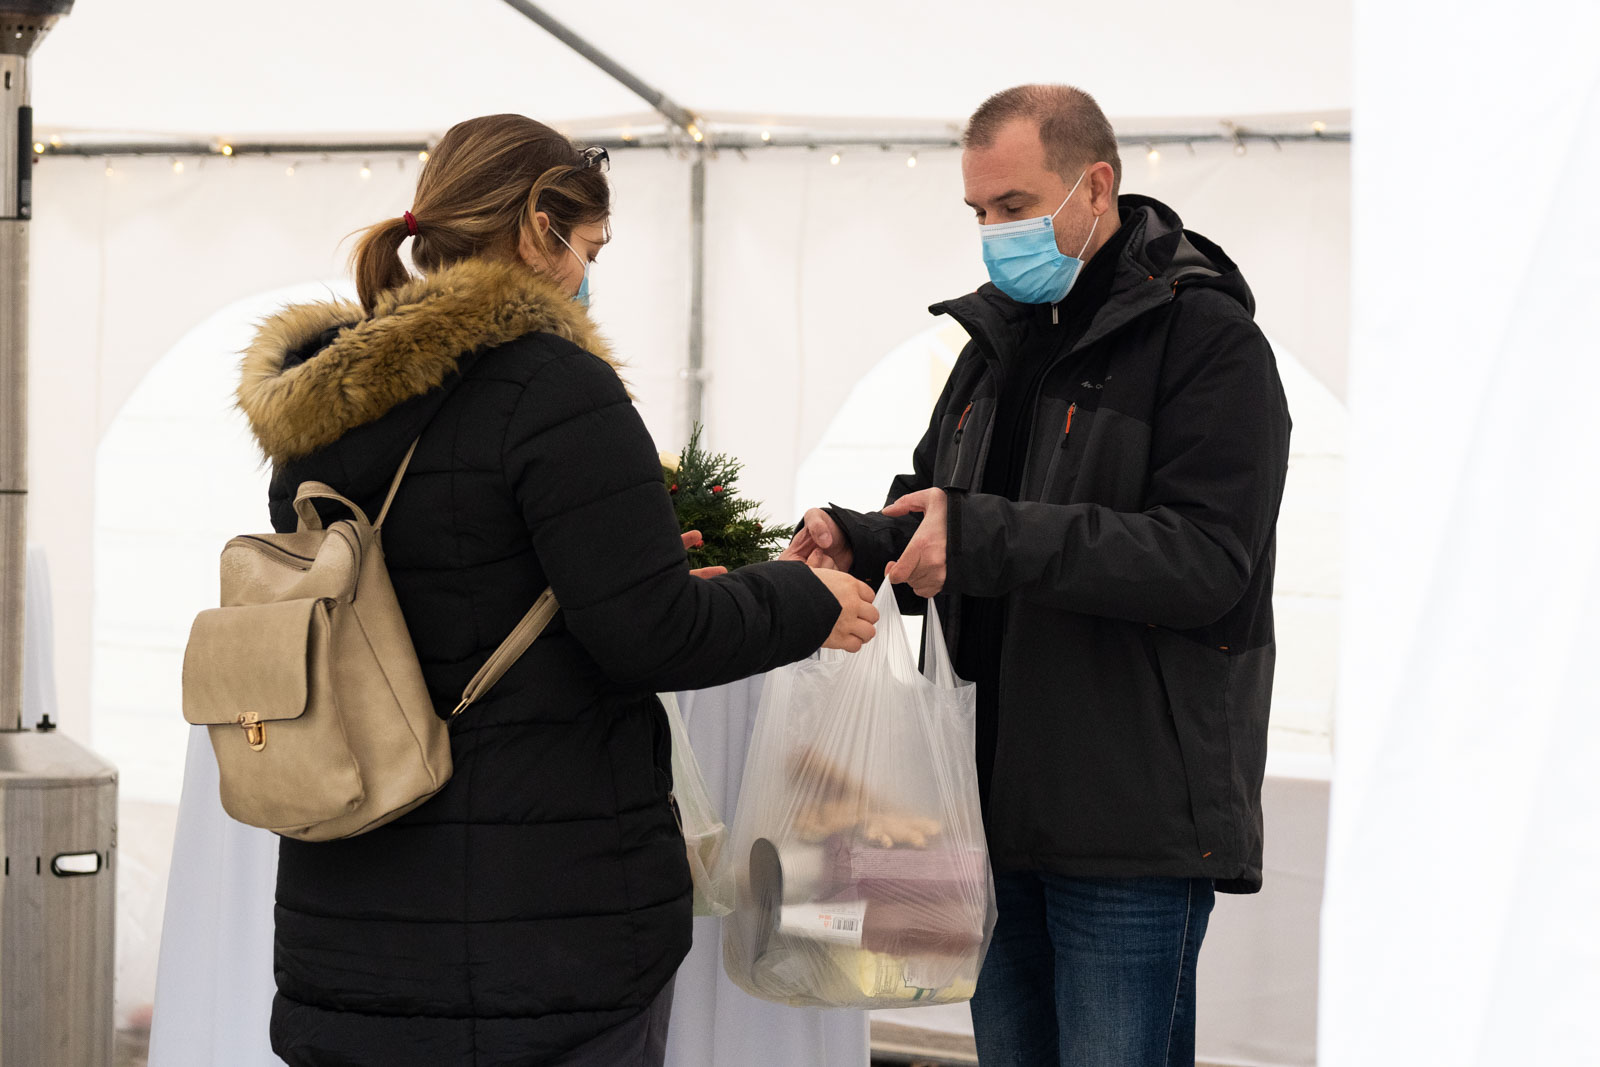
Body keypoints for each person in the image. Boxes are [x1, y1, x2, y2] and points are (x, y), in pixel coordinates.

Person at [234, 113, 878, 1067]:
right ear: (541, 227)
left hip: (352, 925)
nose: (588, 273)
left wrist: (629, 569)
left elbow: (436, 599)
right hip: (537, 940)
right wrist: (802, 600)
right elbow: (653, 634)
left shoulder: (324, 406)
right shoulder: (556, 386)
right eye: (591, 247)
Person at [784, 84, 1291, 1065]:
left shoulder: (1208, 342)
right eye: (978, 211)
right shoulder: (995, 345)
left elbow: (1204, 563)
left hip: (1126, 820)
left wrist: (978, 534)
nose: (992, 234)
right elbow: (941, 505)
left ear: (1094, 187)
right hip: (980, 809)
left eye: (1013, 206)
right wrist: (863, 540)